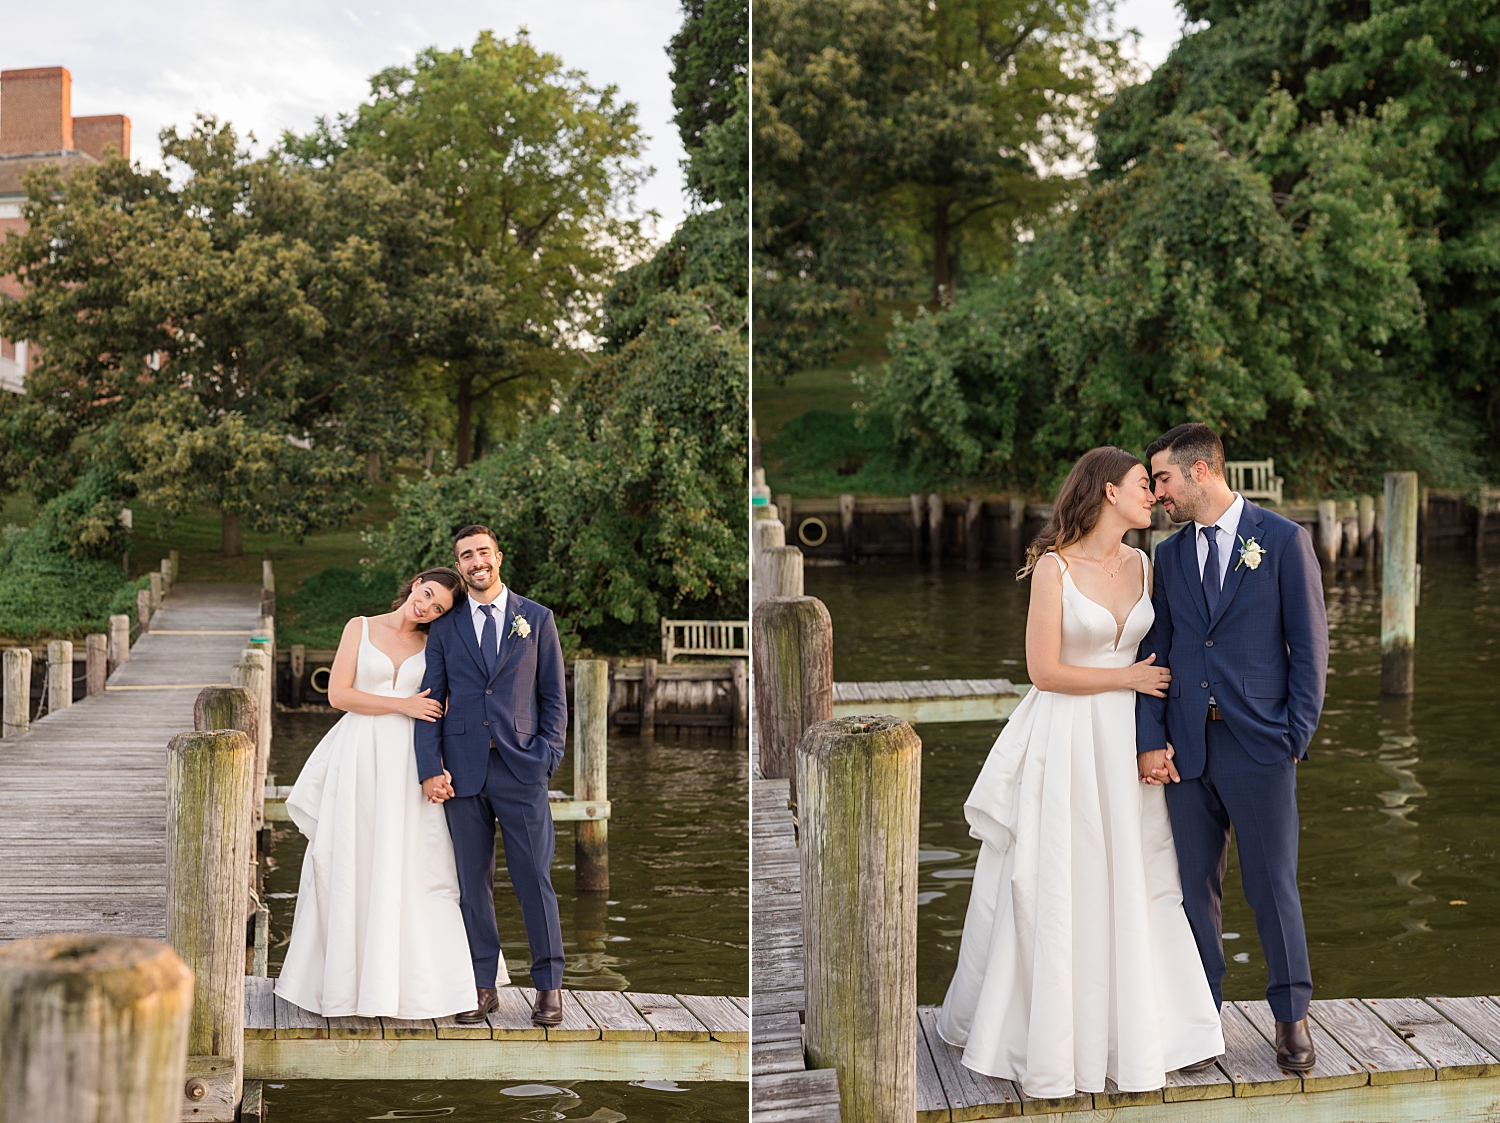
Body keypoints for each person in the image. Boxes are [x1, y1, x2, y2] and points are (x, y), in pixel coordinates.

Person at [936, 446, 1224, 1098]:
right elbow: (1043, 670)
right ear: (1106, 493)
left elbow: (1166, 651)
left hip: (1126, 741)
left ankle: (1148, 1033)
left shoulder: (1144, 564)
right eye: (1140, 485)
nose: (1152, 494)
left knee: (1137, 877)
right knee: (1060, 878)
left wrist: (1166, 734)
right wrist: (1127, 676)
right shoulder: (1053, 570)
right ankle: (1049, 1038)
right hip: (1067, 735)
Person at [1136, 423, 1327, 1072]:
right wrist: (1149, 739)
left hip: (1261, 745)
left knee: (1272, 885)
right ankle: (1198, 1019)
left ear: (1200, 471)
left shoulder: (1280, 541)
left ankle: (1291, 1017)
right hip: (1187, 748)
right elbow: (1156, 653)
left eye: (1162, 478)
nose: (1156, 492)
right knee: (1194, 890)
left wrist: (1293, 735)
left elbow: (1311, 648)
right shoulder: (1167, 556)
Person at [275, 567, 480, 1019]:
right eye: (426, 594)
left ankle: (418, 987)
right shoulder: (360, 627)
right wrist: (402, 704)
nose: (426, 605)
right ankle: (339, 985)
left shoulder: (435, 645)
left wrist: (440, 767)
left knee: (413, 864)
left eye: (438, 607)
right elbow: (338, 695)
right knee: (345, 859)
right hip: (358, 757)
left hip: (408, 762)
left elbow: (442, 709)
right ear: (414, 585)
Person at [415, 524, 569, 1027]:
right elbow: (430, 702)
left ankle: (548, 987)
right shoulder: (445, 627)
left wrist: (547, 756)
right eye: (466, 556)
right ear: (458, 566)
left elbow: (554, 698)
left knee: (533, 880)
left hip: (522, 769)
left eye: (483, 552)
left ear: (498, 556)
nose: (476, 561)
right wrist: (429, 767)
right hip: (461, 775)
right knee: (472, 884)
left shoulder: (537, 619)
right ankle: (482, 986)